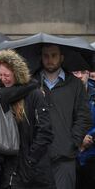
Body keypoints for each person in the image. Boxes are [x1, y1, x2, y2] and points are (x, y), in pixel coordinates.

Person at [0, 50, 55, 189]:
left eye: (7, 75)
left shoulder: (35, 95)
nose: (3, 79)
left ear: (17, 73)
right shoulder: (2, 95)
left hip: (35, 171)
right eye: (0, 75)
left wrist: (30, 161)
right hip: (12, 171)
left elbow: (45, 132)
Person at [34, 44, 92, 189]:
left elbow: (84, 116)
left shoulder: (75, 84)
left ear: (61, 58)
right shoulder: (32, 83)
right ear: (41, 58)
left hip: (65, 157)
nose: (50, 59)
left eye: (54, 55)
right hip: (36, 157)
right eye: (46, 55)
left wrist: (73, 142)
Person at [76, 72, 95, 189]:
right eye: (74, 72)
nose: (79, 75)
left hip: (91, 157)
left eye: (82, 72)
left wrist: (91, 138)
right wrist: (78, 140)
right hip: (69, 156)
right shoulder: (61, 93)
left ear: (88, 73)